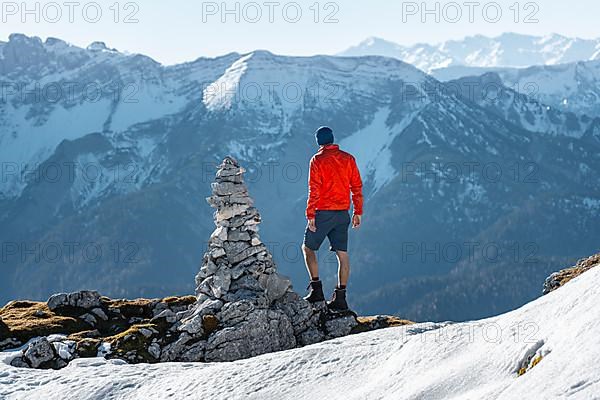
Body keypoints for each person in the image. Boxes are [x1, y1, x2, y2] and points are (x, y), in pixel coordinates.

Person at [302, 126, 363, 311]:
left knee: (307, 248)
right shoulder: (348, 158)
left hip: (323, 213)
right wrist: (357, 211)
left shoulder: (317, 160)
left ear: (318, 141)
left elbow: (315, 189)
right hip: (343, 214)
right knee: (342, 255)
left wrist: (310, 214)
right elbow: (357, 186)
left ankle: (316, 290)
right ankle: (341, 298)